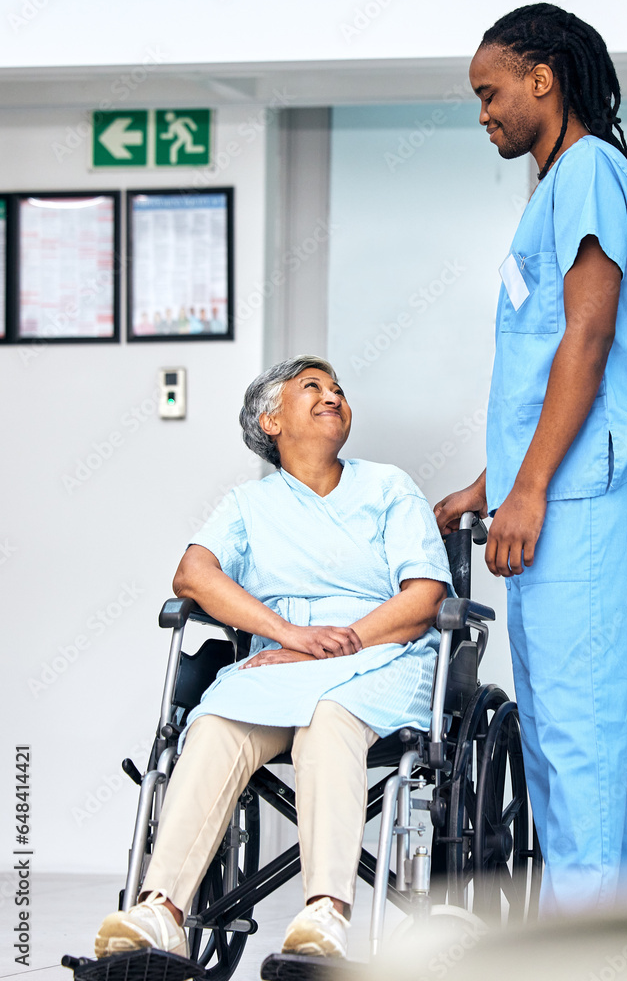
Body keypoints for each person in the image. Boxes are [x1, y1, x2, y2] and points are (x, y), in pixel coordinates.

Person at [434, 4, 627, 916]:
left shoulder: (587, 172)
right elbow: (544, 370)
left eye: (490, 92)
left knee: (575, 739)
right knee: (552, 739)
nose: (484, 112)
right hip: (549, 496)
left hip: (577, 498)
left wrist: (529, 489)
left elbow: (587, 338)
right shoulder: (555, 188)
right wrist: (492, 485)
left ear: (544, 77)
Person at [95, 355, 451, 959]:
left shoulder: (389, 487)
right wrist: (288, 635)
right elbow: (193, 574)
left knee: (330, 718)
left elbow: (424, 598)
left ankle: (325, 916)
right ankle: (161, 911)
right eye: (311, 387)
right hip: (281, 661)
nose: (331, 394)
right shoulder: (247, 505)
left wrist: (340, 642)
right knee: (212, 726)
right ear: (271, 420)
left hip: (381, 655)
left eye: (337, 388)